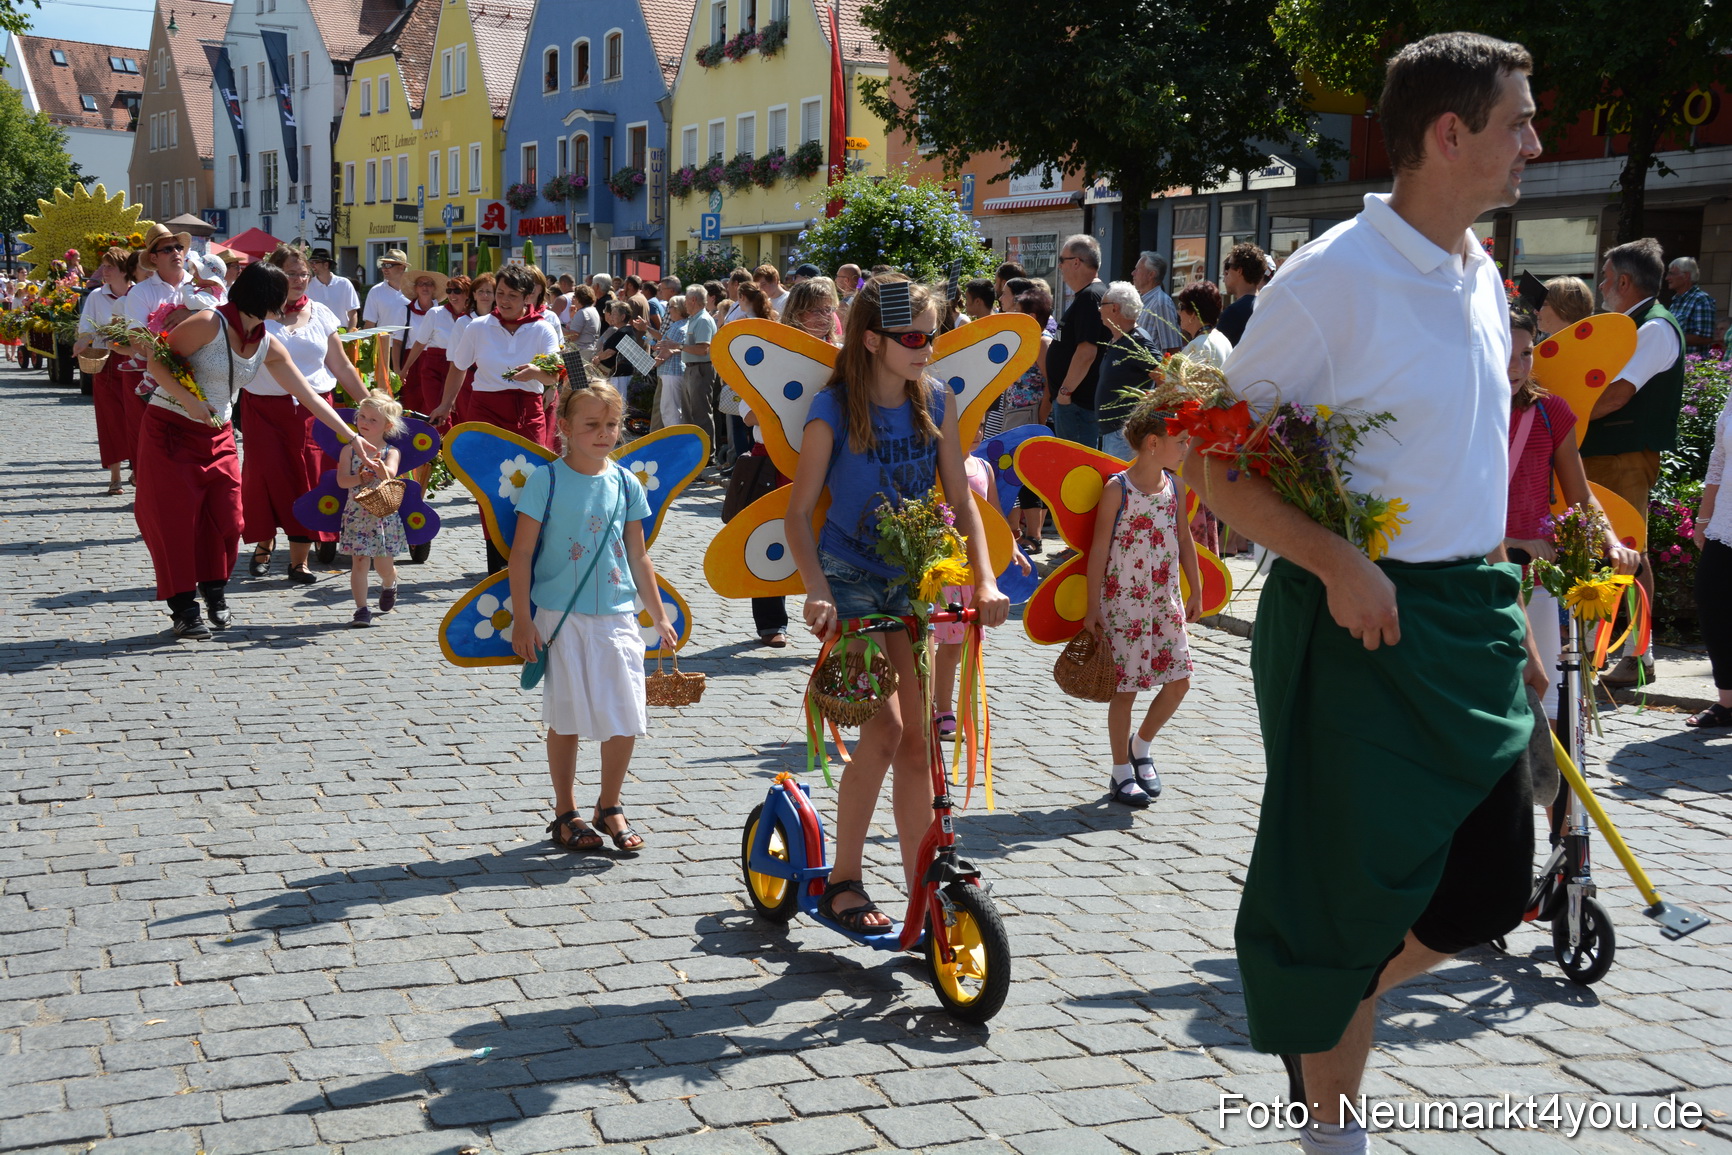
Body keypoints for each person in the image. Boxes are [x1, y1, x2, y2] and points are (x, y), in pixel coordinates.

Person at [1195, 34, 1547, 1155]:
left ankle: (1326, 1008)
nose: (1533, 142)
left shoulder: (1480, 268)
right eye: (1518, 123)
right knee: (1343, 904)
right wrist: (1336, 562)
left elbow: (1465, 464)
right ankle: (1330, 1130)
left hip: (1467, 622)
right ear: (1449, 135)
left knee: (1489, 889)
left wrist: (1509, 622)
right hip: (1358, 629)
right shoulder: (1331, 282)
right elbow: (1211, 462)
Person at [784, 274, 1011, 930]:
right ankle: (844, 878)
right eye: (912, 336)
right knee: (881, 730)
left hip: (911, 576)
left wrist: (988, 579)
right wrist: (818, 592)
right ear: (872, 338)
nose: (926, 347)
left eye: (932, 334)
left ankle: (923, 884)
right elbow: (800, 516)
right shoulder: (833, 410)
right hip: (851, 575)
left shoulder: (936, 401)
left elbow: (962, 503)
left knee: (920, 744)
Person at [135, 262, 380, 638]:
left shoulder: (267, 341)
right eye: (283, 293)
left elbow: (309, 396)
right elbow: (158, 360)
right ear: (264, 297)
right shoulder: (207, 323)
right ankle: (184, 608)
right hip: (171, 430)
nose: (291, 298)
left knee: (230, 519)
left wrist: (352, 437)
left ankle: (214, 591)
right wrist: (189, 401)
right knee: (176, 522)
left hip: (217, 437)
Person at [510, 381, 676, 853]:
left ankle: (610, 805)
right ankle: (566, 811)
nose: (605, 434)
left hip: (618, 615)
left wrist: (658, 615)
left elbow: (639, 555)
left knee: (626, 713)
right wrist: (523, 620)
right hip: (561, 615)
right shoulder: (547, 480)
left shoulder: (627, 483)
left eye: (611, 425)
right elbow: (521, 554)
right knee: (566, 717)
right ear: (564, 427)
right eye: (592, 425)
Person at [1503, 308, 1640, 727]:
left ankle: (1552, 792)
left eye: (1526, 353)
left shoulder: (1549, 413)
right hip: (1476, 576)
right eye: (1505, 352)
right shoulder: (1456, 411)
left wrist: (1611, 542)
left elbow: (1580, 496)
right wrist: (1509, 545)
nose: (1517, 366)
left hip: (1538, 577)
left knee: (1544, 705)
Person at [1083, 391, 1201, 806]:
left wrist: (1196, 588)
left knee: (1180, 681)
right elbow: (1099, 549)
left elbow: (1185, 540)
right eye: (1182, 440)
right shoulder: (1118, 490)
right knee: (1127, 689)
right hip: (1125, 605)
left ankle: (1142, 746)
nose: (1188, 447)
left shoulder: (1176, 486)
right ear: (1154, 442)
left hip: (1163, 601)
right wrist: (1092, 606)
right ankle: (1119, 773)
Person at [1582, 237, 1684, 687]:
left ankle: (1640, 655)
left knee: (1629, 551)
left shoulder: (1653, 328)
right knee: (1610, 551)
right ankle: (1603, 650)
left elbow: (1616, 395)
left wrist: (1561, 416)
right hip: (1611, 454)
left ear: (1624, 281)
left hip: (1623, 456)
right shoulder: (1636, 324)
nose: (1601, 286)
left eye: (1605, 279)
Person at [245, 245, 369, 583]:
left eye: (303, 273)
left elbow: (341, 366)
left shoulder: (322, 313)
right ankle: (264, 545)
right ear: (274, 275)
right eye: (290, 273)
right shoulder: (255, 314)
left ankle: (298, 561)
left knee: (306, 480)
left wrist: (369, 402)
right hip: (264, 410)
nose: (299, 280)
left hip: (315, 412)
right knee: (266, 478)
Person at [433, 264, 564, 571]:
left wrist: (536, 372)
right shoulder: (477, 327)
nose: (504, 300)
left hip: (527, 409)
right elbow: (459, 367)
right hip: (485, 409)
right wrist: (445, 405)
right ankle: (497, 558)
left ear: (527, 297)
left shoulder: (542, 327)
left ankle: (529, 556)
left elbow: (554, 373)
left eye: (512, 295)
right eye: (499, 293)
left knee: (532, 482)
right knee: (491, 485)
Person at [932, 430, 1031, 738]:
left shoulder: (984, 467)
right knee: (947, 642)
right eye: (969, 425)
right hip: (943, 568)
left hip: (974, 571)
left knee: (965, 642)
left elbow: (994, 517)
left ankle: (953, 708)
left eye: (980, 427)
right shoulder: (936, 466)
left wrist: (1013, 549)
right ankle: (941, 709)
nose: (975, 433)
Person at [336, 392, 408, 626]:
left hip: (381, 515)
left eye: (372, 420)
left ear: (387, 425)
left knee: (384, 566)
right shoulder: (349, 450)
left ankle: (390, 583)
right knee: (359, 562)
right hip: (357, 515)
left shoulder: (391, 452)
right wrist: (358, 477)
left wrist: (378, 469)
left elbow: (391, 475)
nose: (364, 423)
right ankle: (361, 609)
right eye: (362, 417)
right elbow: (342, 481)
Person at [72, 247, 134, 496]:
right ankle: (115, 476)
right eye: (103, 266)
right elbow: (86, 327)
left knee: (136, 419)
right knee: (110, 420)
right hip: (106, 364)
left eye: (108, 267)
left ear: (123, 270)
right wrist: (82, 342)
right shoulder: (97, 296)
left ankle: (138, 469)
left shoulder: (138, 293)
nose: (103, 271)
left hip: (134, 363)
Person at [1689, 394, 1732, 726]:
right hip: (1726, 519)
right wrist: (1705, 518)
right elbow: (1720, 455)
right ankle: (1728, 701)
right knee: (1712, 597)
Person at [1048, 235, 1109, 449]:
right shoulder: (1090, 296)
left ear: (1076, 262)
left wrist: (1065, 393)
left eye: (1062, 260)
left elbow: (1087, 352)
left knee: (1076, 470)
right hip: (1075, 405)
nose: (1059, 267)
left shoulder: (1090, 297)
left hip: (1077, 405)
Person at [1094, 282, 1160, 460]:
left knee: (1123, 486)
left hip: (1123, 436)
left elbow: (1165, 377)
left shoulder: (1137, 341)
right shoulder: (1120, 339)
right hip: (1111, 434)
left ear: (1115, 308)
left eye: (1102, 305)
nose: (1099, 309)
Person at [1012, 288, 1054, 552]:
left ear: (1031, 315)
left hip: (1032, 416)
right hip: (1017, 414)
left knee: (1030, 475)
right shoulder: (1025, 339)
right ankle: (1025, 533)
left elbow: (1050, 382)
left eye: (1017, 312)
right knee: (1017, 473)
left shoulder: (1042, 342)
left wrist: (1040, 417)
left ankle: (1035, 536)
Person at [397, 270, 450, 415]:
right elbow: (397, 342)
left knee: (434, 402)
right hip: (412, 361)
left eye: (429, 284)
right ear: (416, 288)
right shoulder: (405, 311)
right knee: (411, 402)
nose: (425, 287)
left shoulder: (443, 312)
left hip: (437, 361)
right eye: (421, 284)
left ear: (434, 288)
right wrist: (398, 370)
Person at [679, 284, 720, 453]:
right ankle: (695, 453)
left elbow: (703, 349)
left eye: (686, 300)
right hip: (692, 369)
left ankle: (707, 453)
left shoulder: (702, 320)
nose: (685, 303)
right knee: (690, 414)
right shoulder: (695, 319)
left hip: (701, 369)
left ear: (693, 300)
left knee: (701, 413)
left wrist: (679, 346)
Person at [362, 249, 412, 373]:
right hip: (385, 348)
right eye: (383, 265)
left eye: (389, 265)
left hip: (411, 348)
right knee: (385, 390)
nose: (384, 269)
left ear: (402, 267)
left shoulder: (414, 290)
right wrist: (365, 351)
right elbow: (370, 324)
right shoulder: (376, 291)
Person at [1216, 242, 1269, 346]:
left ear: (1239, 271)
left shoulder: (1233, 313)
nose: (1226, 272)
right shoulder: (1268, 305)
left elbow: (1216, 354)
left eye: (1228, 266)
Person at [1174, 282, 1232, 368]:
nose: (1179, 312)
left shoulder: (1198, 347)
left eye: (1181, 307)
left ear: (1193, 314)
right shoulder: (1222, 339)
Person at [1132, 252, 1182, 350]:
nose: (1133, 273)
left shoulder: (1161, 303)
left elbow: (1173, 349)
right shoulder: (1141, 301)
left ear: (1151, 275)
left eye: (1137, 270)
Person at [1665, 256, 1717, 351]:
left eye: (1671, 274)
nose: (1667, 278)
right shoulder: (1676, 301)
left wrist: (1669, 338)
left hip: (1693, 363)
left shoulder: (1701, 300)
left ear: (1686, 276)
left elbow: (1706, 337)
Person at [306, 248, 360, 328]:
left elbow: (352, 312)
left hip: (342, 332)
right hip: (318, 334)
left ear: (326, 265)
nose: (312, 265)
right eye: (311, 263)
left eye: (315, 262)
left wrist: (350, 335)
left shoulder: (344, 283)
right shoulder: (308, 286)